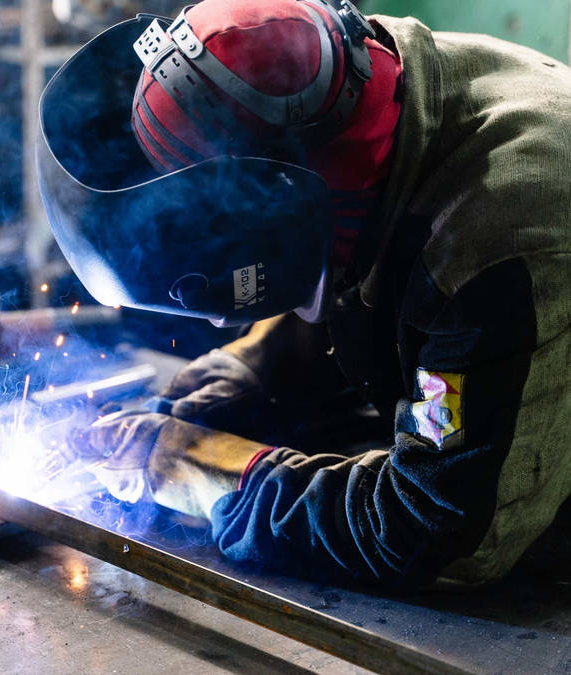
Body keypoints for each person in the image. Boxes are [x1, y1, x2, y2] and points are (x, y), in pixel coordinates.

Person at [37, 0, 571, 589]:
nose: (219, 325)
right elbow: (362, 257)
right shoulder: (351, 83)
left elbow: (435, 531)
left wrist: (198, 466)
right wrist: (257, 367)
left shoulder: (497, 247)